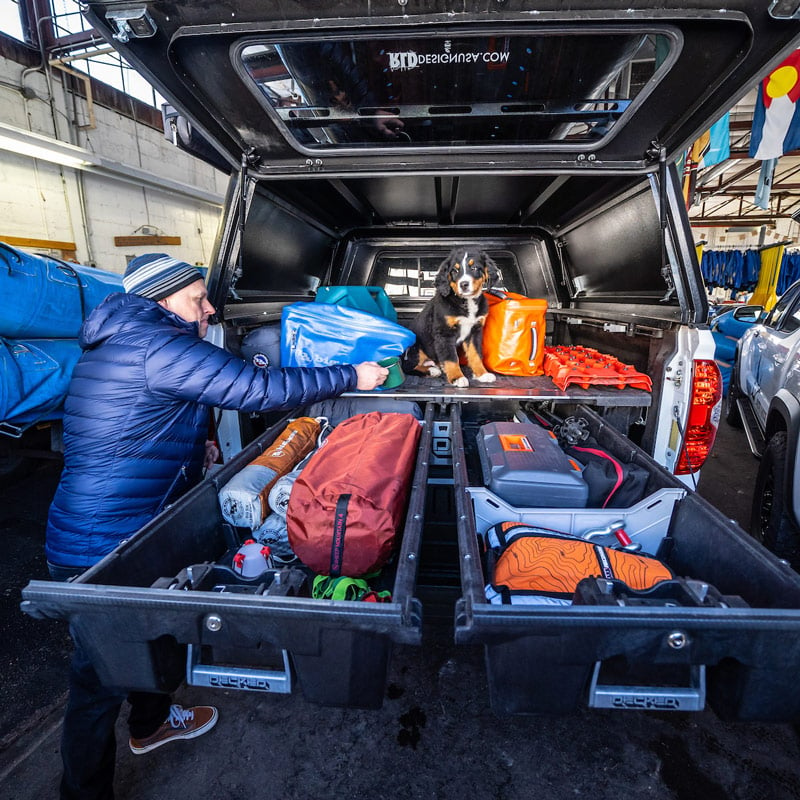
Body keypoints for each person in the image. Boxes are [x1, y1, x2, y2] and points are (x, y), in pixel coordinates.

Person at [44, 252, 388, 800]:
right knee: (98, 679)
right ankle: (81, 793)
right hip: (101, 543)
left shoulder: (126, 337)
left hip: (123, 524)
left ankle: (150, 724)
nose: (207, 309)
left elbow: (149, 409)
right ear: (161, 300)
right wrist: (353, 374)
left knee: (151, 634)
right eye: (196, 298)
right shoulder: (158, 343)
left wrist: (194, 441)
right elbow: (260, 390)